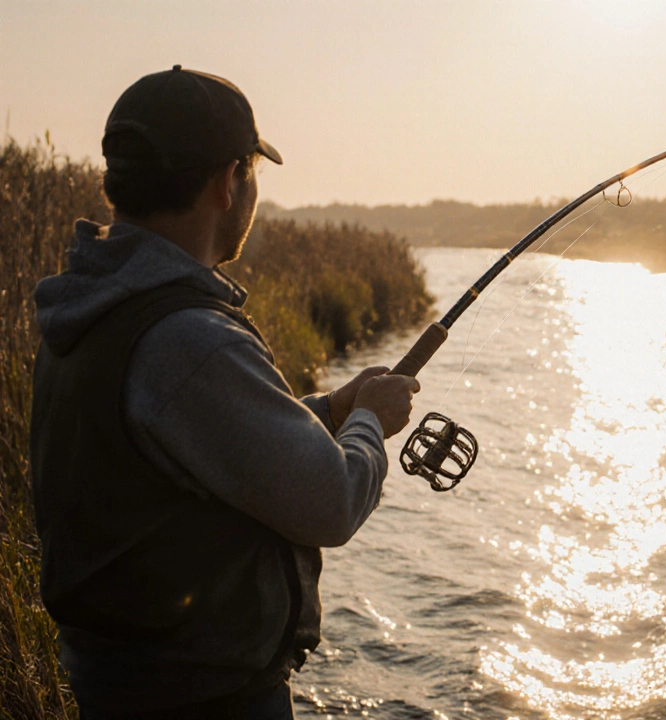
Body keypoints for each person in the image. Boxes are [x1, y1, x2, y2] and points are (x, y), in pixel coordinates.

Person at [29, 66, 420, 718]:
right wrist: (371, 424)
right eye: (253, 173)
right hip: (204, 701)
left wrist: (330, 411)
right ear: (227, 182)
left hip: (122, 690)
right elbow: (331, 503)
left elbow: (184, 444)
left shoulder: (91, 305)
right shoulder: (188, 338)